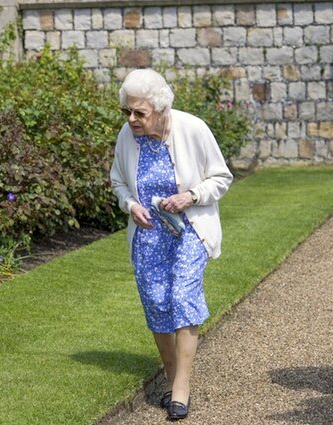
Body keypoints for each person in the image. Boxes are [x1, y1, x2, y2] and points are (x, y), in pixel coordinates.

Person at [109, 69, 233, 421]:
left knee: (182, 296)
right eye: (127, 112)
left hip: (189, 229)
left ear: (160, 109)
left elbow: (221, 177)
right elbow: (118, 181)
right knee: (157, 302)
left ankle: (181, 387)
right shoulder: (127, 136)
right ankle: (170, 373)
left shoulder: (192, 128)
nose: (131, 119)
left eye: (139, 113)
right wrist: (130, 205)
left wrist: (190, 196)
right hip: (149, 234)